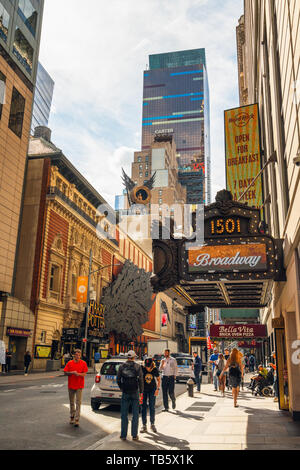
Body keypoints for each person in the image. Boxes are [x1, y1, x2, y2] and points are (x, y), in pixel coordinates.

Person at [117, 350, 144, 441]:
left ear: (127, 357)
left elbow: (118, 380)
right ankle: (134, 435)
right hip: (135, 392)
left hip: (125, 392)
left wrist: (122, 388)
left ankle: (123, 435)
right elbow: (140, 380)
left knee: (124, 414)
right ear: (134, 357)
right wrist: (141, 392)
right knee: (135, 414)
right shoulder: (137, 366)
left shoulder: (121, 366)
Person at [64, 349, 88, 427]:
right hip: (71, 385)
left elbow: (84, 373)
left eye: (78, 355)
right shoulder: (70, 363)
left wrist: (78, 374)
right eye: (76, 355)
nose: (77, 356)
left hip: (79, 386)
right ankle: (72, 416)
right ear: (74, 355)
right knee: (71, 402)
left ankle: (77, 419)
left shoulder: (83, 363)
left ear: (80, 355)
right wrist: (71, 373)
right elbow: (65, 372)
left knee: (78, 402)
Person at [140, 357, 160, 433]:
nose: (147, 367)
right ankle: (144, 425)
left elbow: (158, 379)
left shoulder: (154, 369)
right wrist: (140, 391)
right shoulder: (142, 368)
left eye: (149, 365)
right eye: (146, 365)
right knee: (143, 407)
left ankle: (152, 424)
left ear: (152, 364)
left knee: (152, 407)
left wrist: (157, 389)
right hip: (144, 390)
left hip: (152, 390)